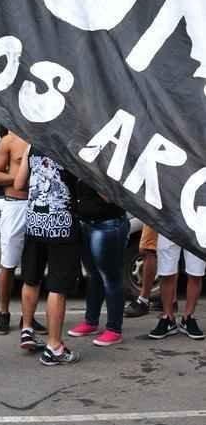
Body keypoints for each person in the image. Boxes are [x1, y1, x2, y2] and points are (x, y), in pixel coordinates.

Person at [14, 147, 80, 365]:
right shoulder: (69, 144)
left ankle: (27, 328)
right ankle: (54, 346)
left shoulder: (32, 145)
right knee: (57, 287)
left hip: (35, 223)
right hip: (61, 225)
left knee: (31, 278)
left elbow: (18, 183)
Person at [0, 131, 47, 336]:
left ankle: (28, 317)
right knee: (8, 262)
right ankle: (4, 312)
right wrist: (21, 177)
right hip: (16, 205)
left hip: (40, 205)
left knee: (36, 262)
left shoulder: (45, 137)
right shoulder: (10, 140)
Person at [68, 182, 129, 346]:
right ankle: (91, 322)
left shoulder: (107, 161)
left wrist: (91, 175)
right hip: (87, 223)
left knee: (111, 278)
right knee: (93, 275)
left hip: (108, 224)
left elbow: (111, 196)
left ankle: (114, 329)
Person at [148, 236, 205, 340]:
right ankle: (168, 317)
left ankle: (188, 317)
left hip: (198, 223)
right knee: (166, 272)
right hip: (169, 223)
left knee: (196, 272)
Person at [124, 225, 158, 317]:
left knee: (147, 249)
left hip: (157, 213)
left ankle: (143, 300)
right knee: (170, 251)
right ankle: (170, 300)